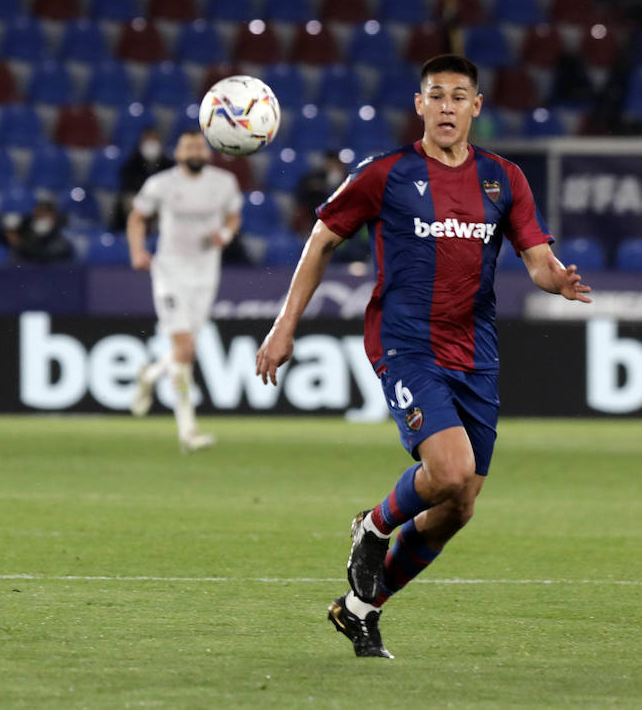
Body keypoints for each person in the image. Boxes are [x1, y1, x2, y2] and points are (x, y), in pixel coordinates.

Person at [255, 55, 592, 659]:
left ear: (476, 108)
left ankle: (359, 609)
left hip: (476, 352)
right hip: (407, 345)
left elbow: (537, 257)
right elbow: (323, 238)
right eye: (435, 95)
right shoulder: (384, 174)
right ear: (419, 105)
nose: (446, 106)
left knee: (458, 506)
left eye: (459, 96)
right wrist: (285, 326)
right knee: (451, 470)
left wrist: (556, 279)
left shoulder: (504, 178)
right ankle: (374, 526)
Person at [126, 129, 242, 451]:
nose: (194, 151)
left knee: (185, 350)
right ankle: (188, 432)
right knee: (185, 346)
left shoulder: (223, 182)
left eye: (199, 146)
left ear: (207, 152)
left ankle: (149, 375)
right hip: (170, 272)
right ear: (177, 153)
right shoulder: (161, 184)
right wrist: (137, 251)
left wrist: (225, 235)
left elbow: (233, 217)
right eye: (187, 146)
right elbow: (137, 217)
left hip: (206, 275)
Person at [111, 125, 172, 230]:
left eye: (154, 139)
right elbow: (126, 192)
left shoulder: (169, 165)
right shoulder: (130, 164)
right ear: (141, 142)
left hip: (161, 206)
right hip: (136, 204)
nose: (151, 143)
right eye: (148, 139)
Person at [1, 198, 75, 264]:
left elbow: (50, 255)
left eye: (44, 215)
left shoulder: (63, 237)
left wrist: (20, 245)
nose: (40, 219)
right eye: (38, 216)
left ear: (54, 217)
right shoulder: (27, 235)